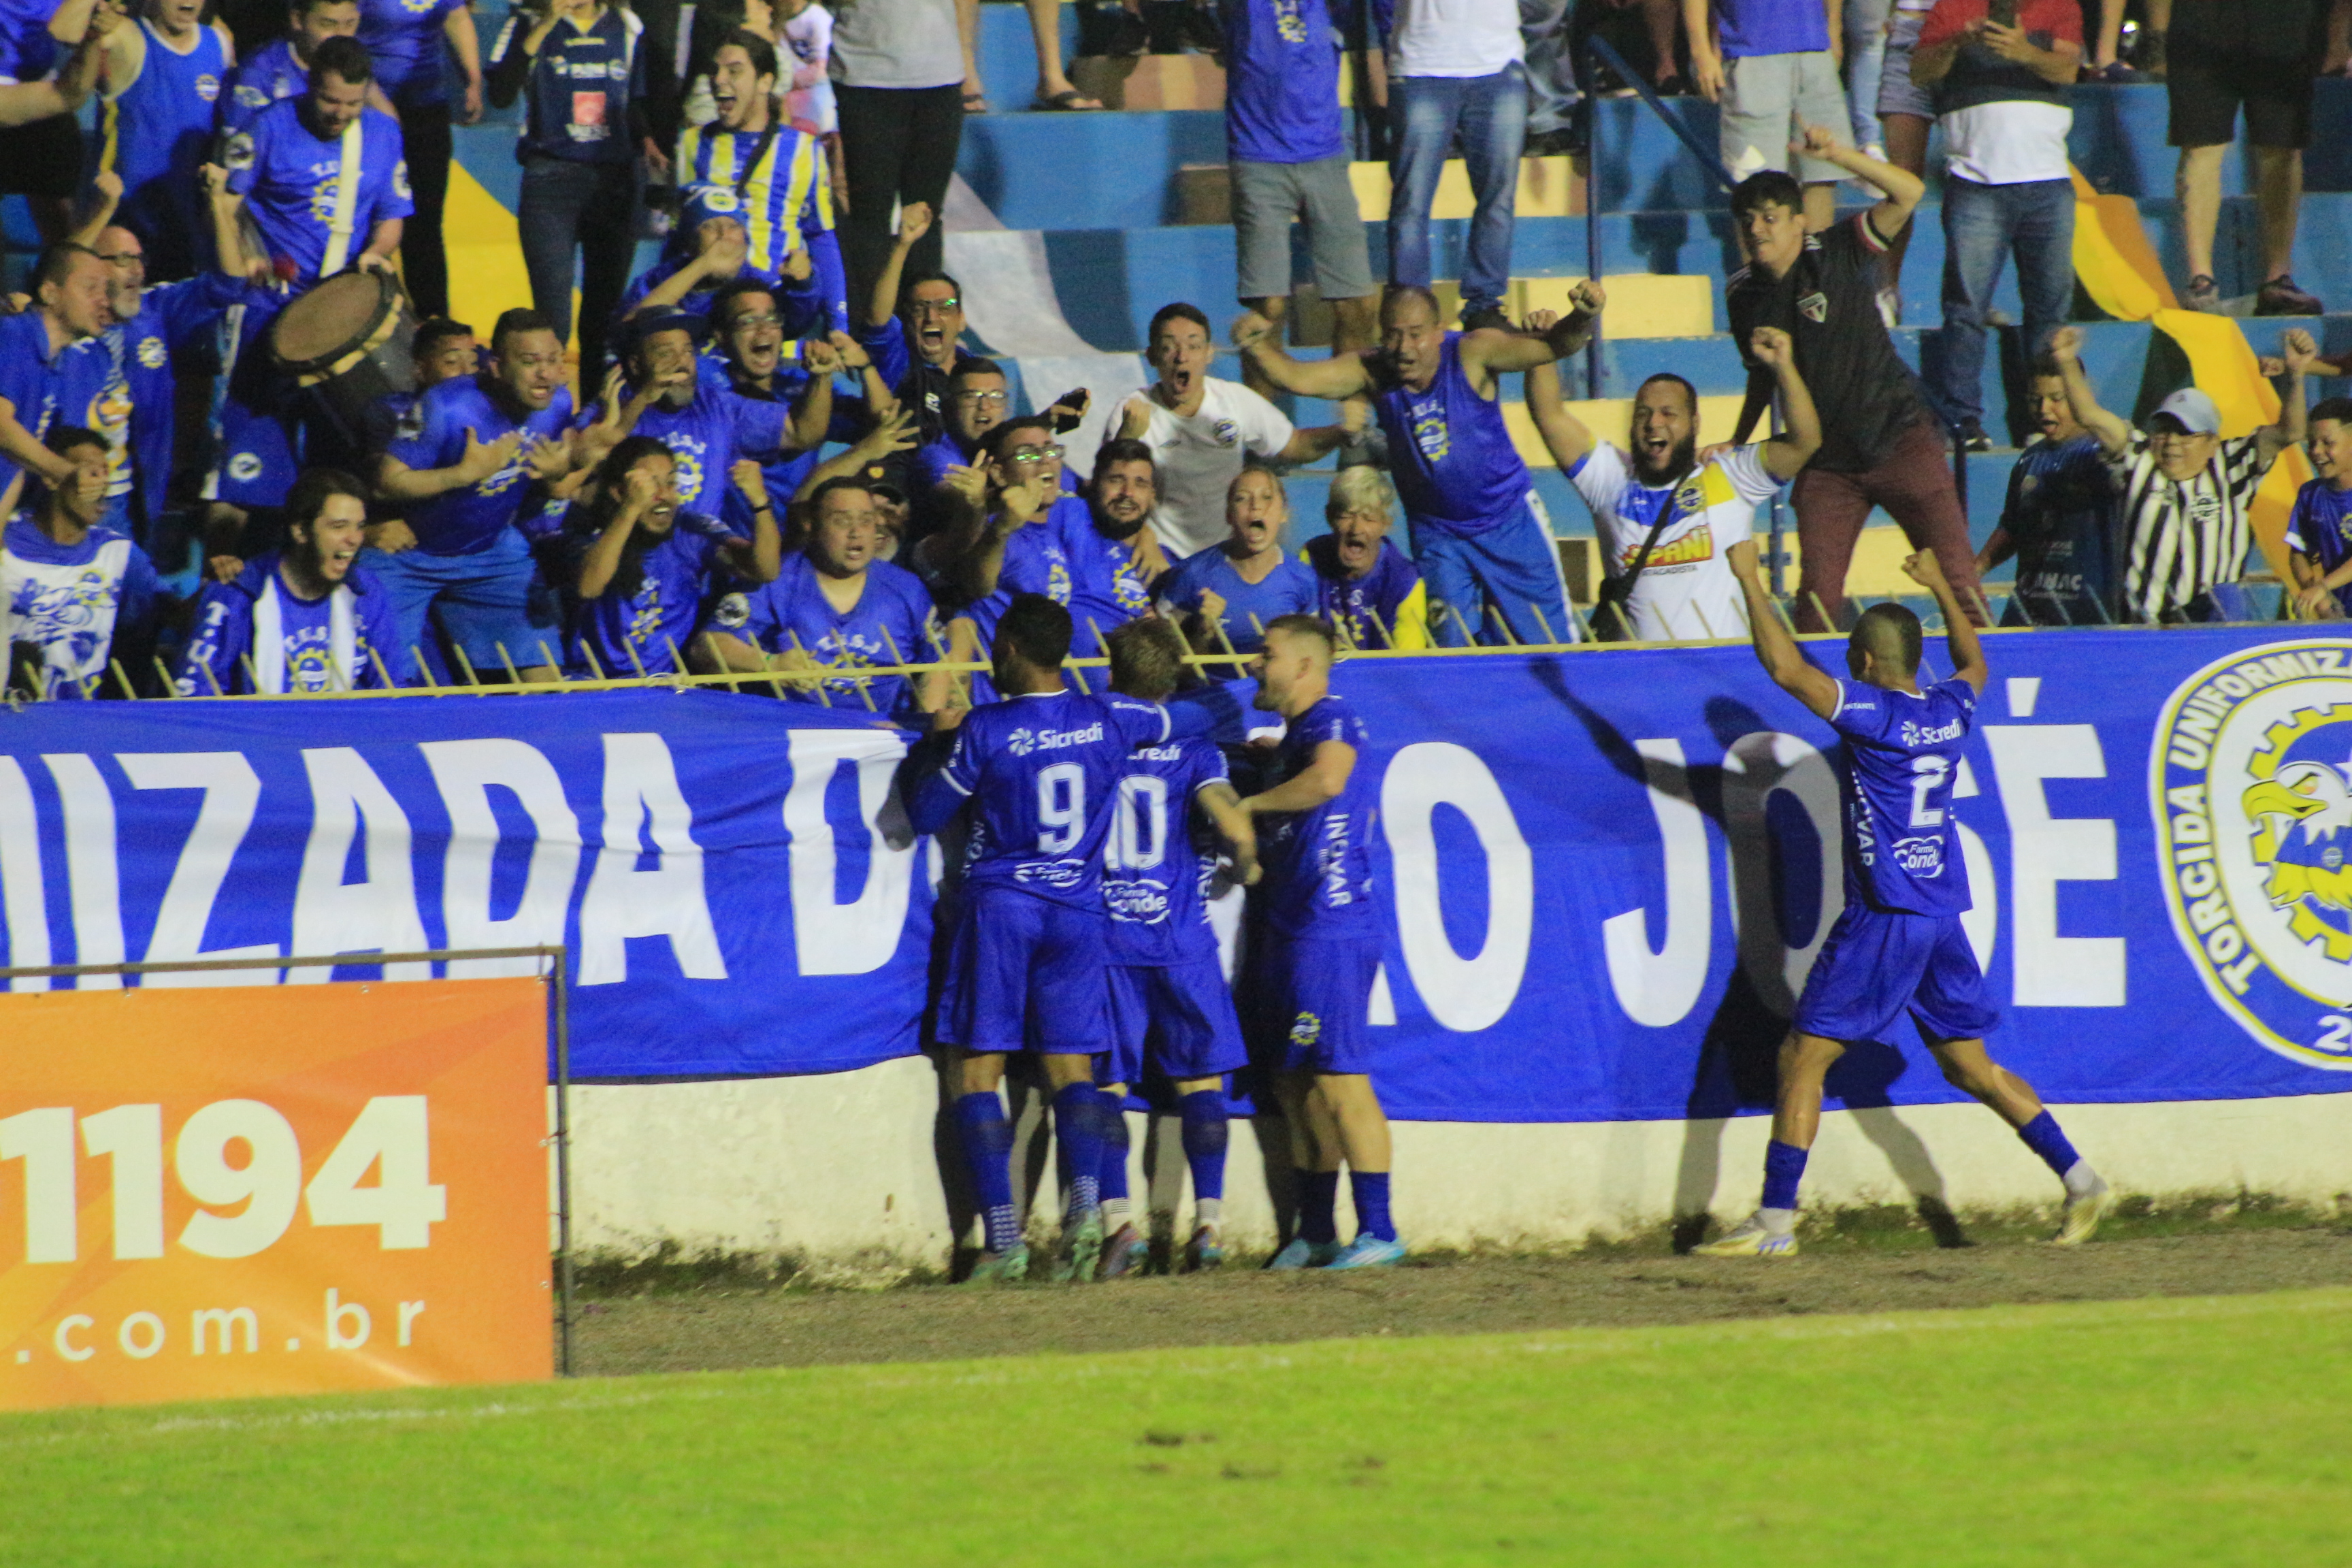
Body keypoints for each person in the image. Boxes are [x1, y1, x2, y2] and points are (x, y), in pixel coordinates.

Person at [1698, 538, 2112, 1256]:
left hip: (1885, 918)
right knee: (1968, 1066)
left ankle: (1773, 1225)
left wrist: (1747, 581)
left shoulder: (1872, 717)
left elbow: (1787, 667)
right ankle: (2081, 1180)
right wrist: (1943, 587)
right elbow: (1976, 661)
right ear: (1917, 660)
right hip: (1942, 917)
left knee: (1802, 1057)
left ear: (1862, 664)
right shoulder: (1953, 706)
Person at [905, 593, 1216, 1284]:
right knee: (1073, 1071)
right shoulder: (1107, 717)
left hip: (1004, 909)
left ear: (1012, 649)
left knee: (976, 1072)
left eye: (996, 650)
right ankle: (1081, 1215)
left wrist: (938, 743)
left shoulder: (986, 729)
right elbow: (1206, 712)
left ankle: (1006, 1240)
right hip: (1079, 913)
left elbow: (926, 814)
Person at [1235, 284, 1599, 646]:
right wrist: (1257, 347)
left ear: (1438, 332)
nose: (1404, 348)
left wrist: (1582, 316)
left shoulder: (1473, 352)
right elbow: (1299, 378)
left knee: (1549, 644)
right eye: (1393, 336)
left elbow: (1554, 345)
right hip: (1438, 534)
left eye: (1415, 335)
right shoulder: (1374, 370)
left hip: (1507, 520)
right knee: (1448, 647)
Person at [1726, 135, 1987, 630]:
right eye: (1748, 220)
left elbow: (1909, 193)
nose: (1756, 229)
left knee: (1959, 583)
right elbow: (1759, 374)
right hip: (1828, 466)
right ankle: (1819, 701)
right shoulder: (1743, 294)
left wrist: (1840, 157)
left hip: (1901, 439)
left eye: (1769, 216)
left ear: (1799, 221)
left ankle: (1995, 695)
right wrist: (1739, 438)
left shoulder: (1838, 250)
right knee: (1816, 602)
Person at [1092, 616, 1260, 1277]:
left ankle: (1120, 1224)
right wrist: (1243, 866)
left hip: (1108, 941)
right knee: (1200, 1082)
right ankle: (1209, 1228)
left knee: (1106, 1085)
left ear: (1113, 671)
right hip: (1180, 939)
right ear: (1176, 679)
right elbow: (1234, 827)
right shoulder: (1196, 750)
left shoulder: (1092, 733)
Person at [1242, 614, 1401, 1270]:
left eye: (1267, 653)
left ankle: (1381, 1231)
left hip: (1328, 925)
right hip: (1290, 925)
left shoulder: (1331, 720)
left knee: (1340, 1080)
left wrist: (1249, 806)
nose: (1255, 663)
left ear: (1305, 667)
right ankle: (1315, 1230)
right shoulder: (1296, 735)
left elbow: (1331, 780)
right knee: (1295, 1083)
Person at [1531, 323, 1821, 642]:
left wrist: (1783, 367)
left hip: (1723, 671)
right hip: (1642, 679)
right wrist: (1545, 346)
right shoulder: (1610, 478)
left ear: (1695, 423)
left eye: (1669, 414)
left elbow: (1804, 441)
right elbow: (1550, 415)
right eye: (1643, 414)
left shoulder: (1730, 475)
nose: (1654, 423)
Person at [2049, 323, 2313, 622]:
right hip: (2147, 623)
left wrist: (2297, 375)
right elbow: (2090, 417)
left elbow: (2291, 431)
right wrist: (2067, 361)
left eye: (2186, 433)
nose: (2172, 441)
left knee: (2227, 595)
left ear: (2212, 442)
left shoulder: (2232, 463)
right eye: (2164, 430)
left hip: (2212, 622)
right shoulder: (2138, 458)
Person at [373, 307, 583, 680]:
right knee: (384, 681)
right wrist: (463, 474)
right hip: (410, 554)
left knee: (546, 680)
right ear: (497, 367)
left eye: (553, 360)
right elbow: (387, 481)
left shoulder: (559, 403)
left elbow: (558, 479)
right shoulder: (442, 404)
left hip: (491, 553)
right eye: (531, 362)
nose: (546, 374)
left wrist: (557, 472)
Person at [1912, 0, 2082, 452]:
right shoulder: (1952, 6)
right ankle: (1962, 421)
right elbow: (1920, 71)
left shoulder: (2059, 4)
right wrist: (1958, 41)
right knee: (1966, 310)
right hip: (1975, 183)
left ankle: (2047, 424)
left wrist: (2024, 51)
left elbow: (2068, 70)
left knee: (2049, 311)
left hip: (2048, 183)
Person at [489, 0, 653, 392]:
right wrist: (546, 23)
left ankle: (597, 417)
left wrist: (650, 144)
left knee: (604, 316)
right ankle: (552, 416)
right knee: (552, 319)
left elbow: (644, 102)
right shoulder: (525, 24)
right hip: (550, 181)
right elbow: (499, 93)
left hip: (614, 180)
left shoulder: (629, 28)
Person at [1117, 303, 1352, 558]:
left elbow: (1294, 445)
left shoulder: (1233, 401)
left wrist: (1343, 432)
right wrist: (1143, 535)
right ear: (1151, 356)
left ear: (1209, 353)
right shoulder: (1133, 410)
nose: (1181, 356)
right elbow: (1111, 489)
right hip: (1159, 556)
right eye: (1169, 346)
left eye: (1194, 346)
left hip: (1226, 556)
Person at [700, 473, 944, 715]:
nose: (856, 532)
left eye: (866, 521)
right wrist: (771, 664)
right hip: (795, 733)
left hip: (881, 736)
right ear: (813, 526)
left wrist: (928, 731)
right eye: (842, 521)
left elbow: (938, 664)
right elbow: (707, 646)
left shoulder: (907, 589)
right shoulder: (777, 581)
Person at [1220, 0, 1379, 359]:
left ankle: (1353, 414)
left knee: (1357, 304)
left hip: (1326, 159)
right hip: (1259, 159)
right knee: (1268, 311)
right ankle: (1261, 417)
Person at [557, 436, 779, 678]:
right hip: (591, 685)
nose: (664, 495)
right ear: (619, 492)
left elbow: (765, 570)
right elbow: (589, 587)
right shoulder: (591, 534)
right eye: (650, 485)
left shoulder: (690, 531)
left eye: (671, 483)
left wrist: (760, 504)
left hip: (660, 689)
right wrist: (630, 508)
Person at [675, 30, 847, 336]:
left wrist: (839, 324)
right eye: (716, 71)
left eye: (735, 71)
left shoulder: (806, 150)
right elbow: (680, 238)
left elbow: (820, 236)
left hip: (779, 314)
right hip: (711, 317)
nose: (719, 80)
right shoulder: (692, 145)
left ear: (765, 82)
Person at [175, 466, 404, 693]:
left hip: (343, 728)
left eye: (360, 527)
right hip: (261, 729)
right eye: (339, 526)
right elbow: (193, 695)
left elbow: (392, 688)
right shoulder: (237, 595)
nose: (354, 539)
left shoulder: (366, 591)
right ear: (300, 531)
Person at [2167, 0, 2330, 314]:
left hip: (2286, 19)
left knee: (2281, 146)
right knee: (2202, 144)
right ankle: (2200, 279)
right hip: (2203, 20)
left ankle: (2278, 278)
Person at [222, 36, 410, 289]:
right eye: (330, 101)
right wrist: (247, 254)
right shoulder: (266, 128)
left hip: (340, 293)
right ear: (309, 84)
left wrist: (377, 251)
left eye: (353, 104)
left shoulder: (384, 133)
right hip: (271, 289)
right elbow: (226, 204)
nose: (340, 114)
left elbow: (391, 215)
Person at [1385, 0, 1526, 331]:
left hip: (1498, 61)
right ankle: (1411, 312)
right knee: (1412, 200)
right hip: (1422, 64)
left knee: (1498, 195)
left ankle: (1485, 305)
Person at [1, 424, 165, 698]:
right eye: (90, 471)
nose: (101, 482)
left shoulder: (120, 555)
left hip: (80, 727)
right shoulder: (5, 544)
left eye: (106, 473)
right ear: (52, 477)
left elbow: (156, 624)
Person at [829, 0, 968, 312]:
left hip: (940, 75)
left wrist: (967, 60)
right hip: (864, 75)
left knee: (925, 217)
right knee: (870, 217)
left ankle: (922, 331)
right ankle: (872, 331)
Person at [1974, 355, 2125, 625]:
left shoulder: (2102, 454)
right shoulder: (2029, 460)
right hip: (2029, 606)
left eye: (2057, 398)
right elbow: (2012, 526)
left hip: (2086, 610)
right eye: (2036, 399)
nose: (2044, 409)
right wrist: (1977, 568)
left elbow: (2118, 439)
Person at [91, 0, 236, 280]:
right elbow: (62, 32)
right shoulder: (124, 36)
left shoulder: (220, 42)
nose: (187, 2)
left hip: (189, 222)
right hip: (127, 218)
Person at [1685, 0, 1852, 234]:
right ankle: (1759, 272)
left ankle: (1817, 268)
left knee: (1821, 172)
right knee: (1753, 188)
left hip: (1816, 49)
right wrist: (1700, 51)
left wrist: (1833, 28)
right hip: (1751, 51)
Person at [356, 0, 478, 317]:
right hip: (361, 110)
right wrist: (374, 100)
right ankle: (362, 311)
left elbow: (456, 16)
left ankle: (433, 322)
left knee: (425, 223)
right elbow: (337, 39)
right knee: (368, 217)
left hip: (426, 109)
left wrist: (473, 78)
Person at [1156, 463, 1320, 672]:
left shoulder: (1303, 578)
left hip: (1274, 700)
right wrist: (1202, 633)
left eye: (1266, 497)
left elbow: (1309, 659)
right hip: (1209, 696)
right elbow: (1159, 660)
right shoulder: (1193, 573)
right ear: (1229, 515)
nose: (1255, 506)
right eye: (1242, 498)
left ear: (1283, 512)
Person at [0, 242, 110, 518]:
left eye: (105, 290)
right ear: (50, 293)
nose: (104, 301)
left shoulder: (55, 364)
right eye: (90, 288)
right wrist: (65, 471)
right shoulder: (14, 337)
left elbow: (13, 461)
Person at [855, 202, 975, 447]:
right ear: (907, 321)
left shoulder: (974, 370)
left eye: (945, 307)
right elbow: (877, 320)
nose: (932, 317)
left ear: (962, 320)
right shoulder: (897, 360)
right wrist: (902, 245)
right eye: (920, 308)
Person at [0, 0, 111, 246]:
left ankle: (61, 274)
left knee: (60, 221)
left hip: (40, 96)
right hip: (18, 99)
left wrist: (93, 36)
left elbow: (70, 94)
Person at [1060, 438, 1175, 658]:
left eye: (1140, 483)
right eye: (1116, 480)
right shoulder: (1070, 516)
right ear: (1094, 483)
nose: (1127, 493)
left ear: (1153, 494)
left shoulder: (1166, 567)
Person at [1303, 465, 1430, 649]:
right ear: (1329, 517)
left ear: (1385, 523)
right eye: (1346, 516)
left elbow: (1407, 662)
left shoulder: (1405, 583)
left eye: (1368, 519)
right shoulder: (1311, 559)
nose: (1356, 530)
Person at [216, 0, 375, 133]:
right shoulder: (258, 75)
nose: (341, 36)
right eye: (328, 25)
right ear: (298, 19)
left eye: (350, 24)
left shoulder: (352, 68)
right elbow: (236, 149)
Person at [2287, 398, 2352, 619]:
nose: (2316, 451)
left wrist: (2322, 586)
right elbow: (2299, 552)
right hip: (2340, 618)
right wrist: (2320, 601)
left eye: (2328, 443)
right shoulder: (2310, 494)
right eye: (2311, 443)